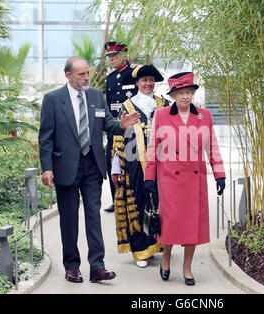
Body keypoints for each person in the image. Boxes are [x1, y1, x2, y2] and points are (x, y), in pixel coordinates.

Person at [38, 56, 140, 283]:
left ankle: (97, 266)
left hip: (92, 166)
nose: (86, 78)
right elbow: (45, 138)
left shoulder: (95, 96)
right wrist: (47, 168)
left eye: (87, 73)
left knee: (93, 216)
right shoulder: (53, 99)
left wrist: (121, 125)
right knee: (69, 219)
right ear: (68, 75)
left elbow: (108, 124)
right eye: (81, 74)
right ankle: (72, 266)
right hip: (65, 167)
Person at [144, 72, 226, 286]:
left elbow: (213, 147)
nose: (185, 97)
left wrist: (220, 175)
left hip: (194, 179)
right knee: (171, 224)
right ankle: (167, 258)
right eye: (181, 93)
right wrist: (149, 178)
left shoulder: (204, 116)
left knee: (192, 226)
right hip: (169, 179)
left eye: (189, 92)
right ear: (173, 95)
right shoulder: (161, 115)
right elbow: (152, 149)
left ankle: (187, 267)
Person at [111, 64, 168, 268]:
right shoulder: (127, 107)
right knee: (138, 202)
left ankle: (158, 244)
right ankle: (141, 251)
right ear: (136, 83)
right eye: (144, 80)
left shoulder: (164, 104)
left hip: (162, 164)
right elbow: (118, 137)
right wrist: (116, 168)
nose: (148, 83)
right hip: (134, 165)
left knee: (159, 203)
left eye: (151, 80)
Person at [103, 41, 138, 213]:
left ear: (124, 55)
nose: (111, 59)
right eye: (109, 56)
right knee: (112, 162)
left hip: (131, 127)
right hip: (114, 127)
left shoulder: (134, 74)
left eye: (115, 55)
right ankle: (115, 199)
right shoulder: (110, 79)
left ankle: (133, 197)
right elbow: (109, 106)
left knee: (130, 163)